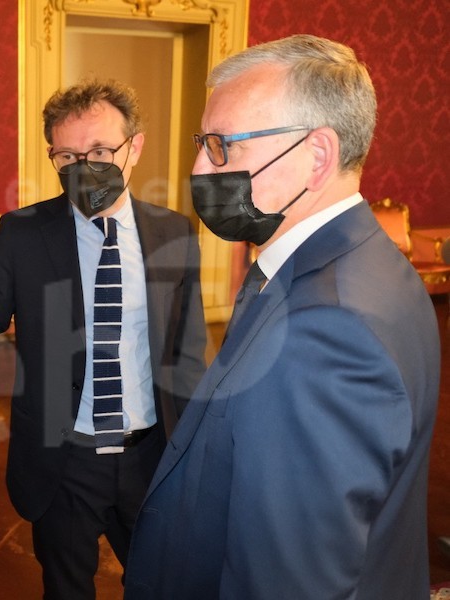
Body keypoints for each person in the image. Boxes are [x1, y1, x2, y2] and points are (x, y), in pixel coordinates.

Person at [124, 34, 440, 599]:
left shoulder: (326, 331)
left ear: (317, 155)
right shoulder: (360, 261)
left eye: (222, 146)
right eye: (202, 144)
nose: (199, 168)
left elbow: (289, 579)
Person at [0, 79, 207, 599]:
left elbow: (187, 352)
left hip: (152, 456)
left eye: (100, 151)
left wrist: (199, 448)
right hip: (63, 458)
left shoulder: (174, 232)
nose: (85, 168)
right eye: (67, 156)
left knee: (161, 585)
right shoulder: (23, 234)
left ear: (135, 147)